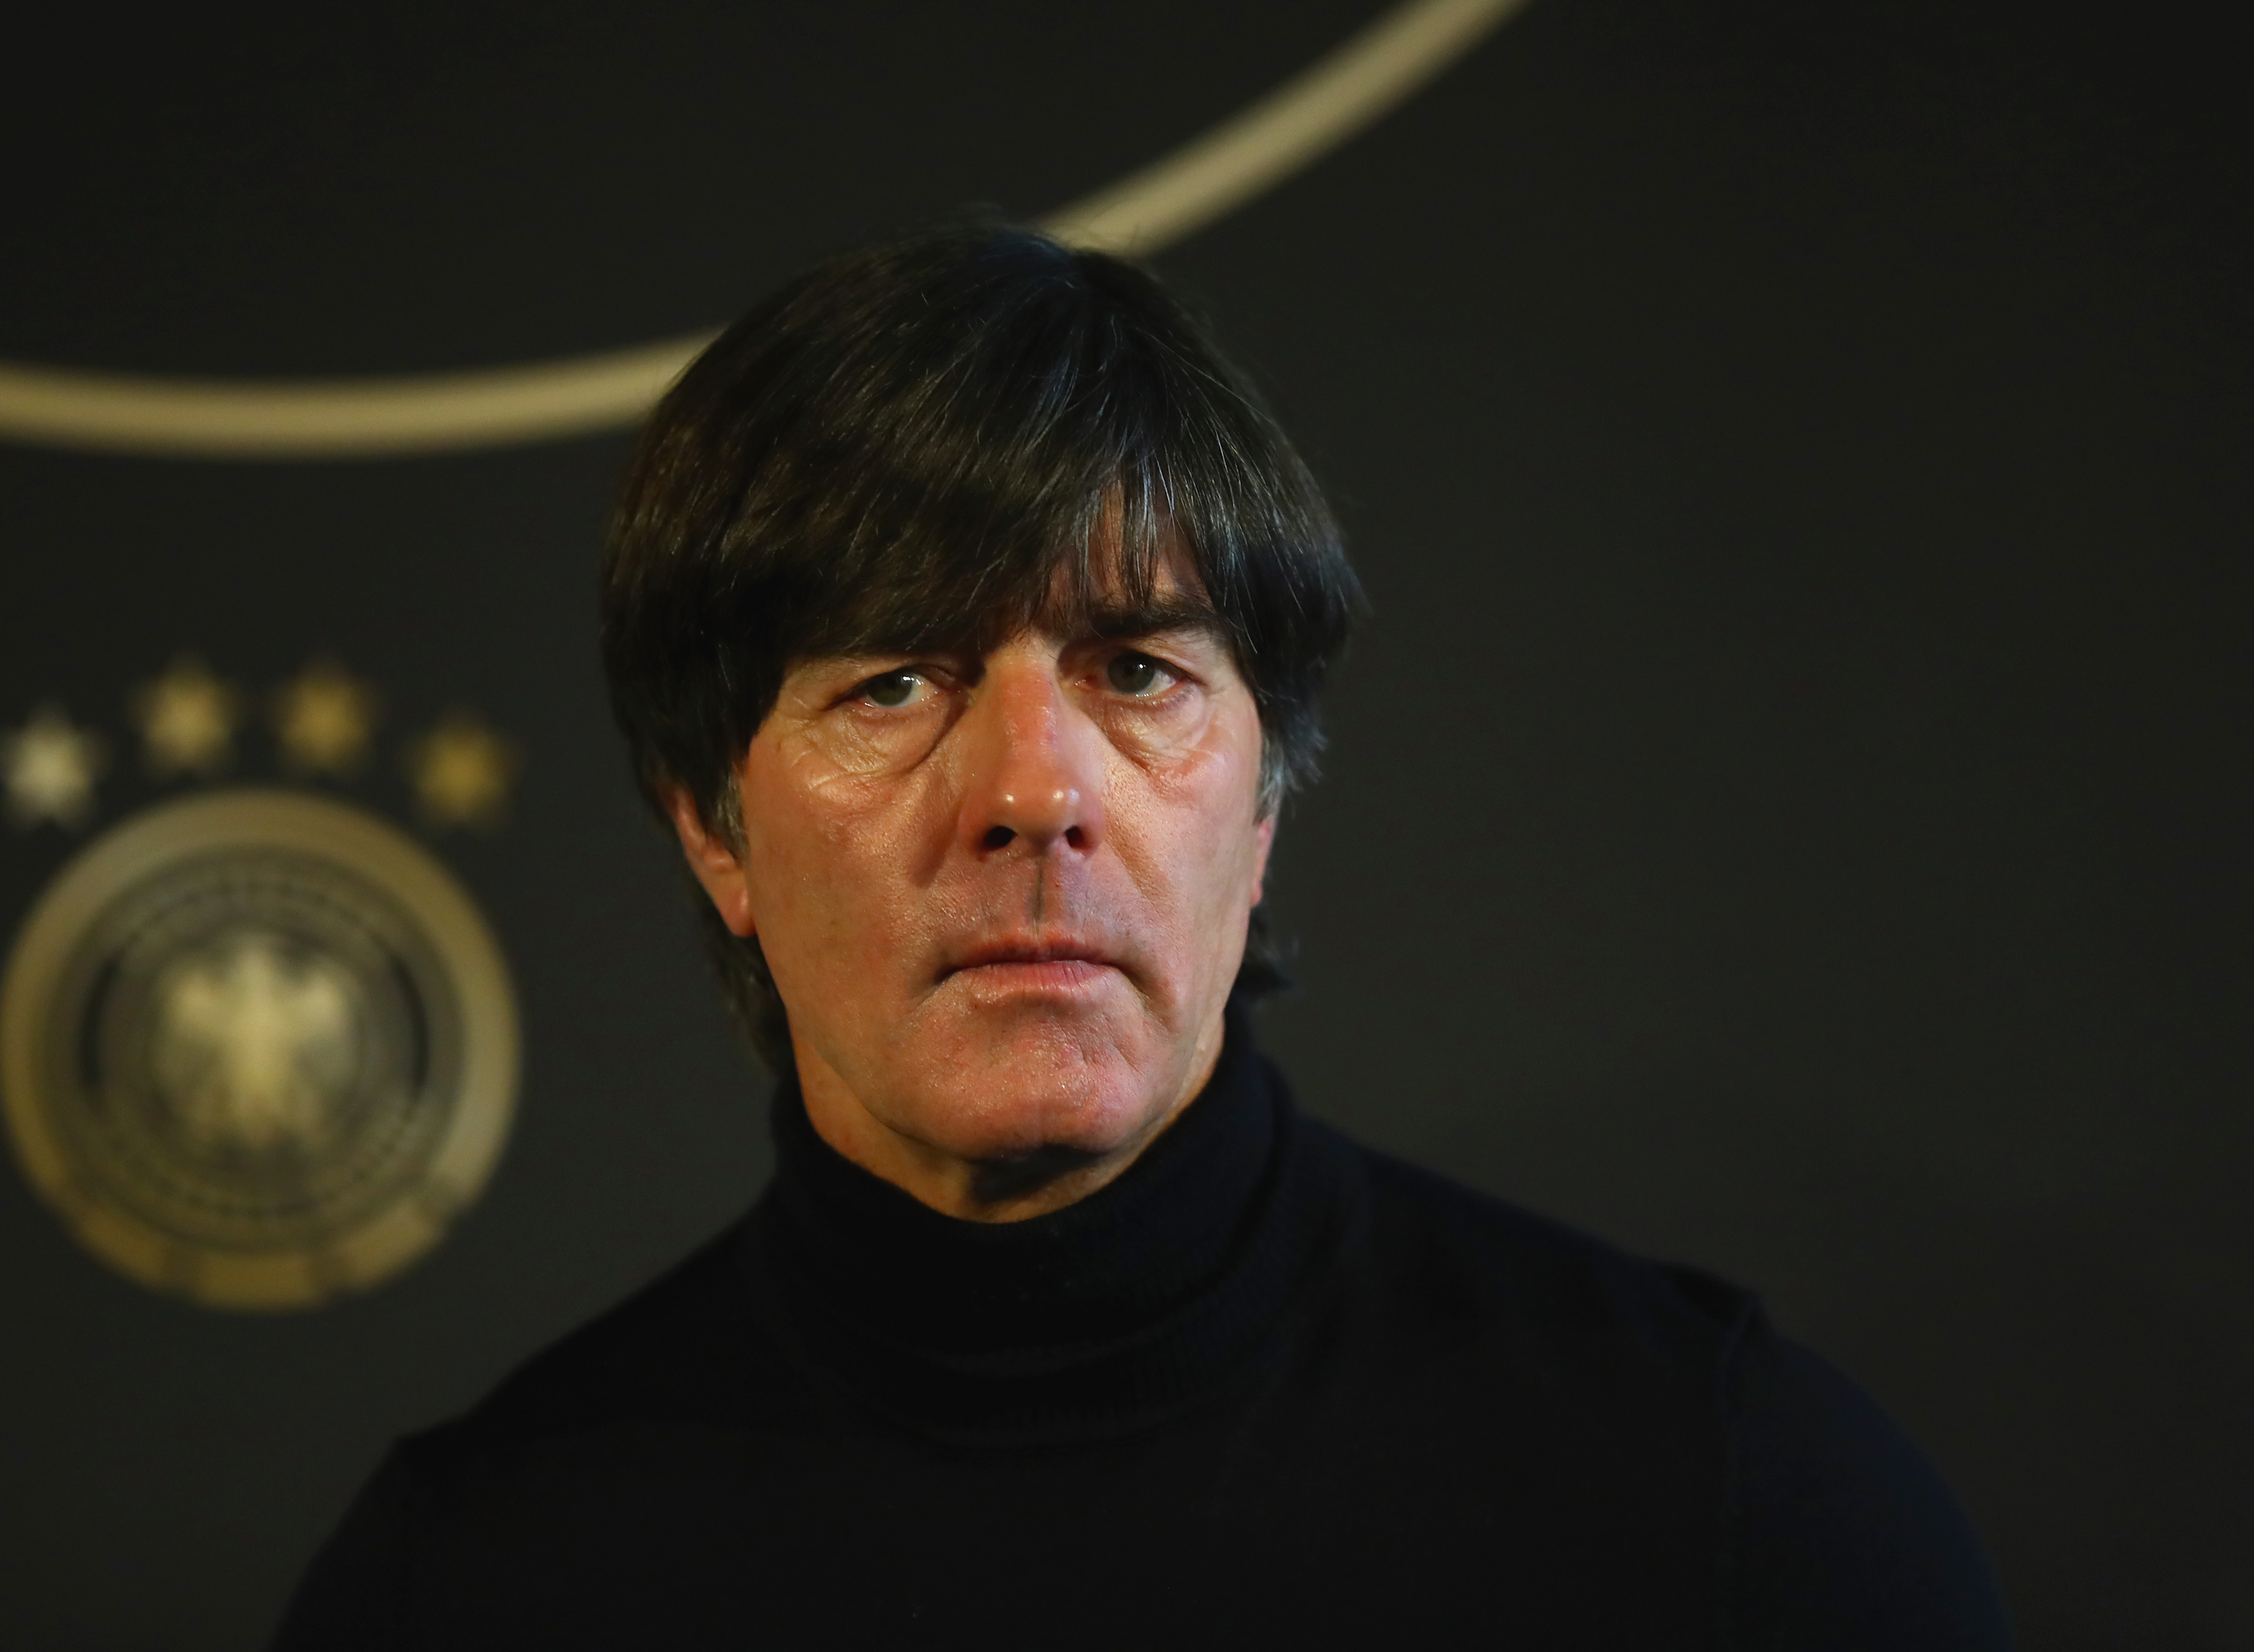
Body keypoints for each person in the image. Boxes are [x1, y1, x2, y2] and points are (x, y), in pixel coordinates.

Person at [274, 222, 2010, 1648]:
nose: (1037, 792)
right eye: (897, 682)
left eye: (1137, 671)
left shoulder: (1731, 1509)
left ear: (1262, 813)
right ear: (713, 831)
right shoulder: (467, 1589)